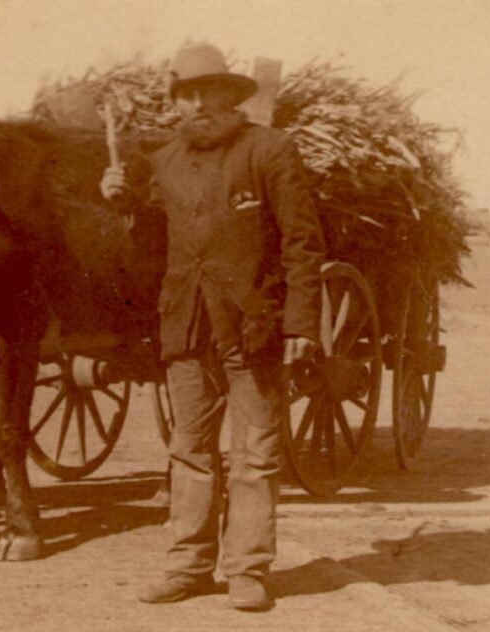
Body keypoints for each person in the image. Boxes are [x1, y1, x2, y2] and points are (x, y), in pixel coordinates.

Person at [101, 42, 326, 609]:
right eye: (188, 95)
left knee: (255, 453)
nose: (199, 104)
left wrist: (301, 324)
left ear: (232, 97)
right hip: (187, 325)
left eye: (211, 93)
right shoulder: (166, 159)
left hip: (254, 326)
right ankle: (188, 567)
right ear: (177, 104)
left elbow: (303, 243)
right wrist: (124, 203)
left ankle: (248, 570)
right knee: (190, 450)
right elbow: (156, 240)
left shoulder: (270, 150)